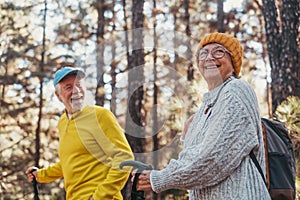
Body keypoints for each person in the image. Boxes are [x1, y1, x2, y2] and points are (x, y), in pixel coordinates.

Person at [132, 32, 271, 199]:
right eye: (203, 53)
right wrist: (186, 136)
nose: (209, 57)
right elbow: (191, 159)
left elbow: (214, 158)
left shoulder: (237, 90)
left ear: (233, 63)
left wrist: (160, 178)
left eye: (219, 51)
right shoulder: (203, 109)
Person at [26, 66, 134, 200]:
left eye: (78, 85)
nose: (76, 91)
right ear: (58, 96)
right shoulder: (63, 122)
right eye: (68, 87)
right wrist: (41, 175)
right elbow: (70, 162)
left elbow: (124, 157)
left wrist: (100, 196)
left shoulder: (101, 115)